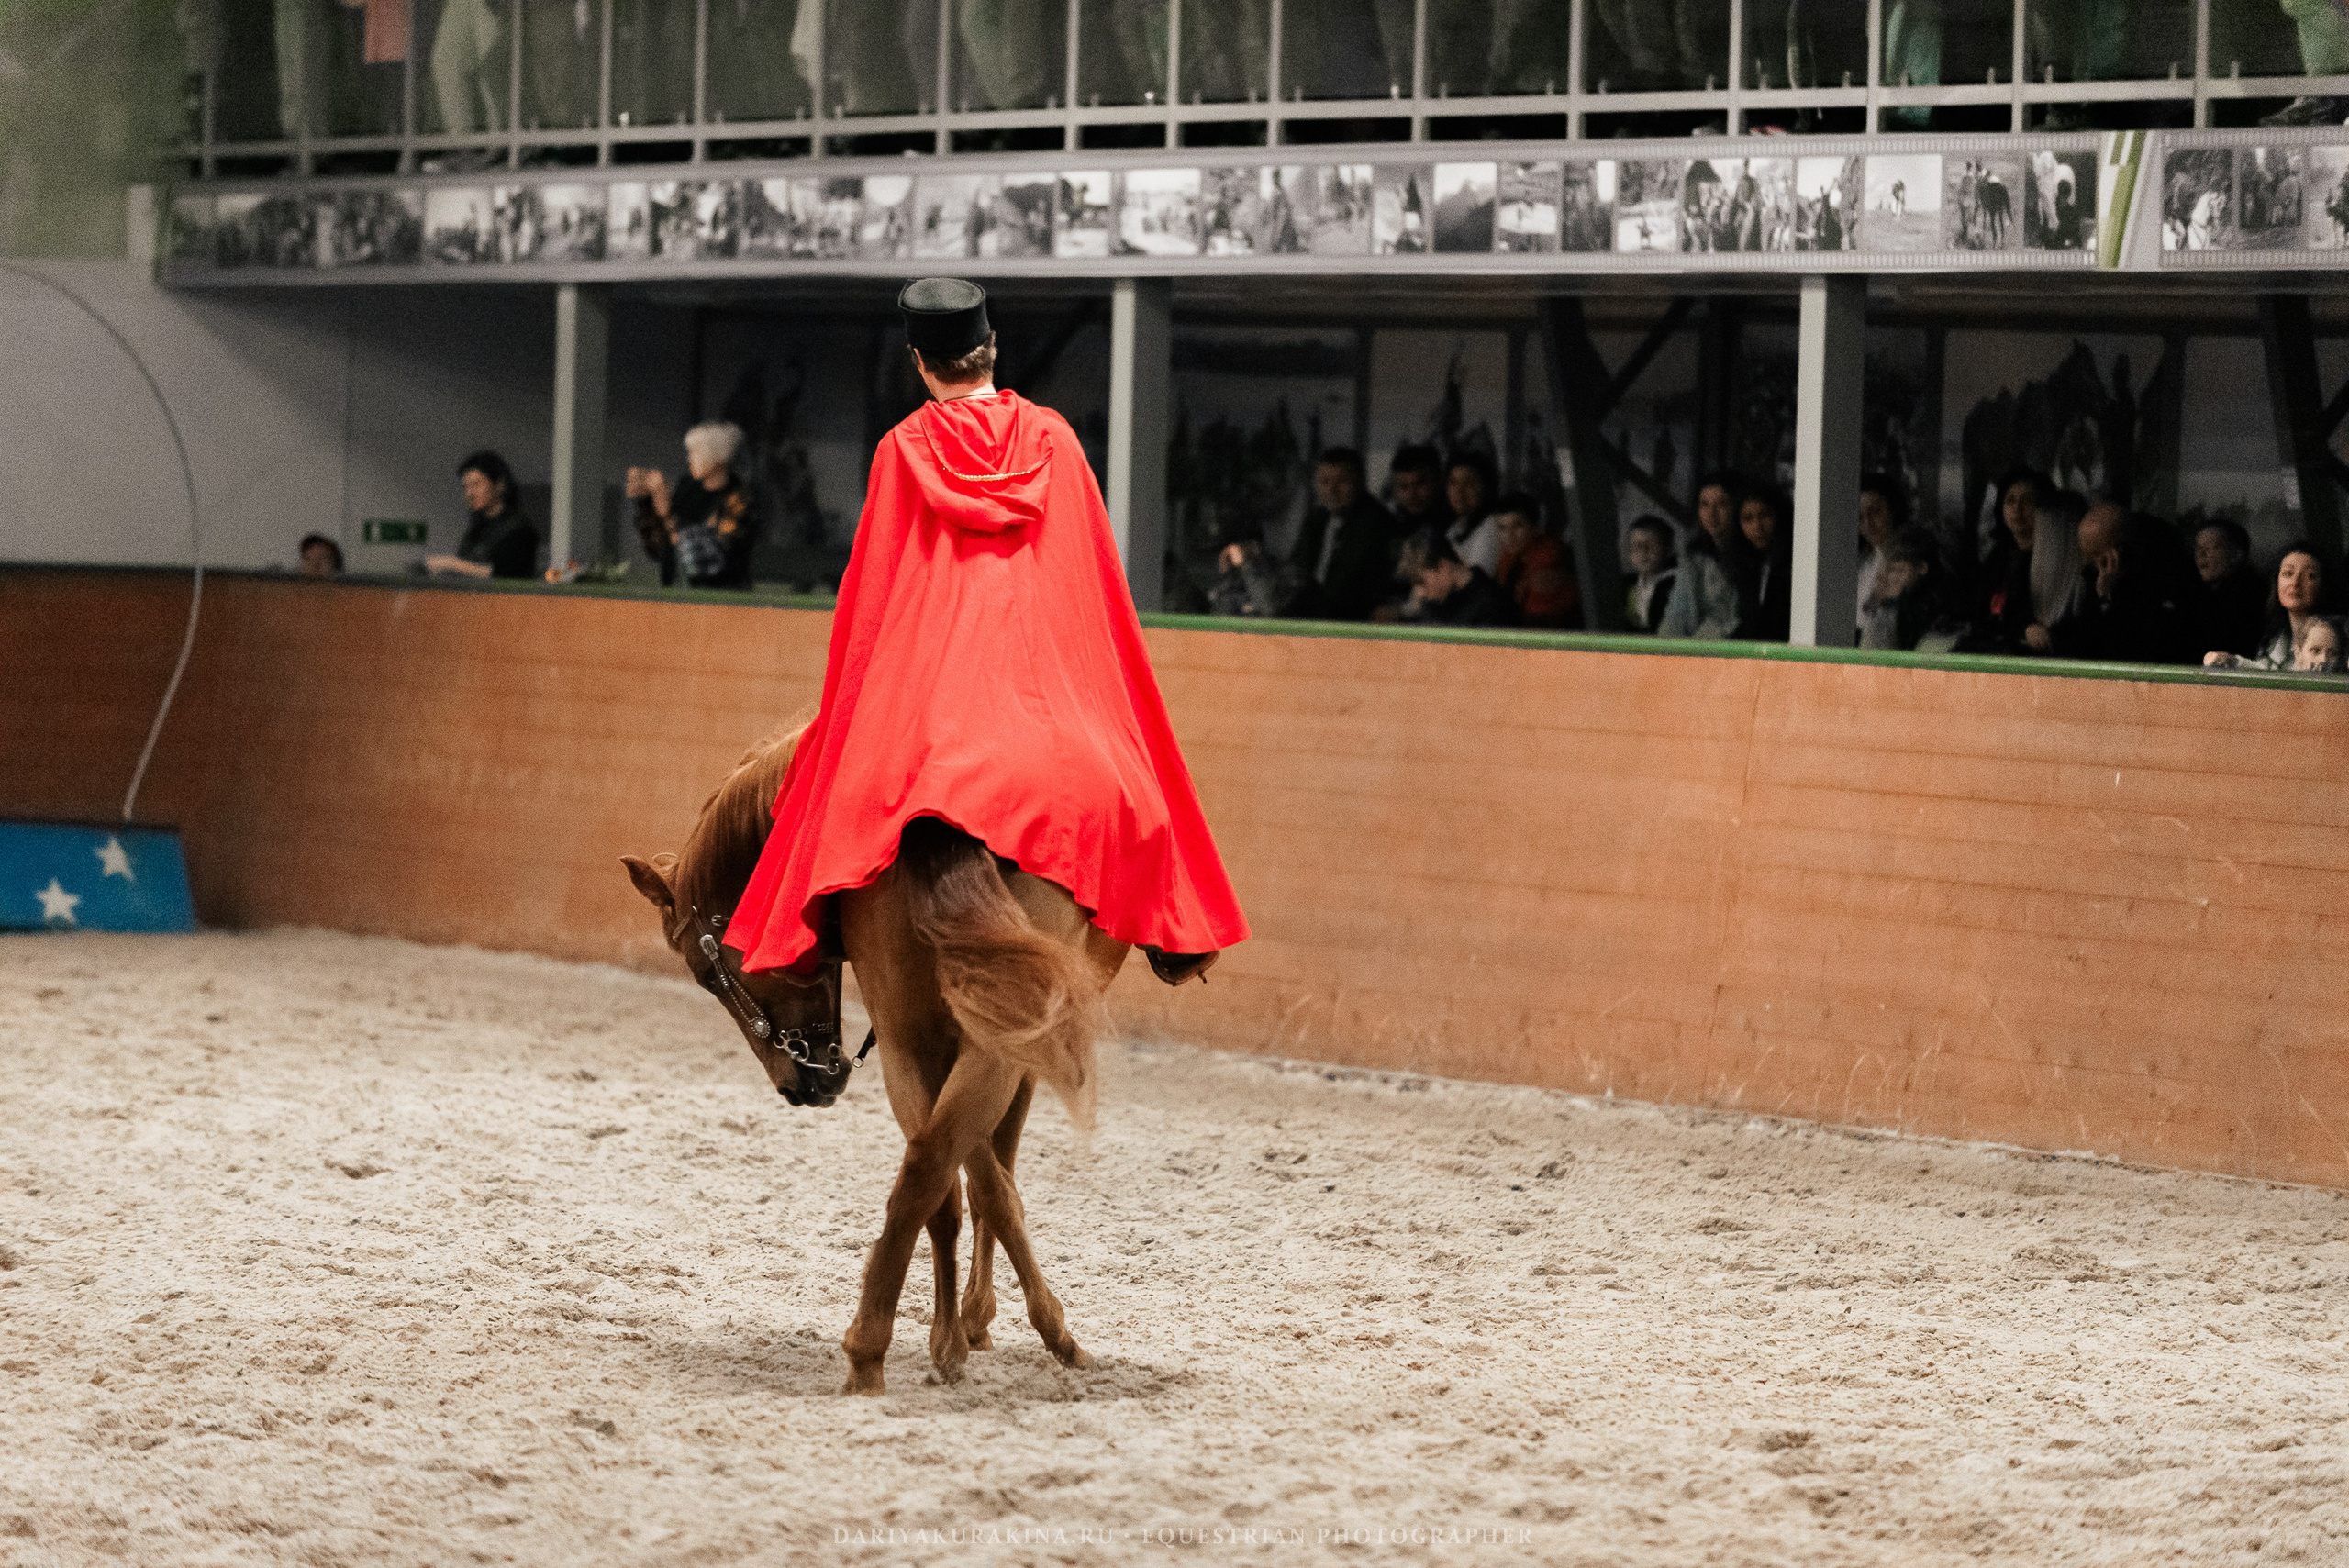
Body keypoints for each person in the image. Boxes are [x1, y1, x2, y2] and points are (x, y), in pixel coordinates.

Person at [721, 277, 1247, 990]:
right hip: (1039, 696)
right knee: (1135, 781)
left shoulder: (901, 449)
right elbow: (1096, 590)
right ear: (991, 348)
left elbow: (869, 604)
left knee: (835, 804)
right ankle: (1174, 935)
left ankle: (822, 940)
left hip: (940, 709)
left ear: (919, 362)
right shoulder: (1055, 439)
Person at [2053, 504, 2194, 665]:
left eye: (2095, 556)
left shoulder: (2169, 578)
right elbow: (2082, 639)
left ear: (2118, 552)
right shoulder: (2095, 575)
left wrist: (2108, 601)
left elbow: (2138, 647)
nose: (2089, 563)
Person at [629, 422, 761, 591]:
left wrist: (666, 512)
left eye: (696, 452)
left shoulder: (739, 497)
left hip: (724, 598)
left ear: (718, 459)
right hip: (677, 596)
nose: (689, 458)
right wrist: (646, 504)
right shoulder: (688, 488)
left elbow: (711, 562)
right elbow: (659, 549)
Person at [1969, 468, 2080, 654]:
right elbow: (1983, 612)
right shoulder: (1998, 556)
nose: (2017, 509)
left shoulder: (2057, 559)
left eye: (2027, 500)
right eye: (2010, 500)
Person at [1281, 446, 1397, 621]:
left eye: (1342, 482)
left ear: (1359, 482)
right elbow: (1297, 566)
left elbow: (1354, 587)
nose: (1332, 491)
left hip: (1349, 620)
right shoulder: (1316, 520)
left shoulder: (1375, 523)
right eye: (1325, 482)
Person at [2206, 542, 2331, 669]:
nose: (2295, 583)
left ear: (2324, 585)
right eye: (2288, 573)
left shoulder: (2337, 640)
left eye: (2310, 576)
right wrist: (2232, 661)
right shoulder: (2272, 638)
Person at [425, 450, 539, 579]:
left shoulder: (518, 529)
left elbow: (508, 574)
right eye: (465, 487)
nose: (470, 493)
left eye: (476, 484)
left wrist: (453, 564)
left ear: (499, 485)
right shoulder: (477, 530)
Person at [1658, 470, 1744, 639]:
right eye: (1704, 504)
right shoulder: (1693, 557)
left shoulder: (1748, 560)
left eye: (1721, 504)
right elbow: (1677, 614)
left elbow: (1735, 620)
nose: (1711, 514)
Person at [1399, 525, 1518, 628]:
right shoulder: (1431, 605)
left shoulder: (1494, 606)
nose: (1419, 593)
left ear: (1443, 567)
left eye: (1421, 582)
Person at [1492, 492, 1578, 628]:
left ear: (1535, 528)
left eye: (1518, 526)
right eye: (1502, 528)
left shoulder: (1550, 560)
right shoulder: (1510, 558)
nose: (1509, 536)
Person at [2188, 517, 2270, 661]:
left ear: (2235, 555)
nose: (2201, 554)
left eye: (2212, 547)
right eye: (2198, 548)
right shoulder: (2194, 593)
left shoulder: (2250, 597)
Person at [1731, 487, 1793, 642]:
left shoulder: (1794, 564)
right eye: (1748, 518)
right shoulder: (1745, 567)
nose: (1757, 527)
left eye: (1764, 515)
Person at [1855, 473, 1907, 642]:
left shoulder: (1907, 561)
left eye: (1875, 512)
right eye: (1860, 517)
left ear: (1893, 508)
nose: (1868, 525)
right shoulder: (1862, 562)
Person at [1442, 451, 1501, 575]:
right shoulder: (1455, 527)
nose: (1459, 491)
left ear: (1485, 486)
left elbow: (1475, 584)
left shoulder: (1492, 527)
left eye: (1468, 483)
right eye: (1453, 482)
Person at [1620, 516, 1678, 633]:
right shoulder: (1626, 585)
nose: (1643, 552)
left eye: (1651, 545)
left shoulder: (1676, 584)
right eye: (1637, 546)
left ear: (1667, 548)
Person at [1386, 443, 1446, 537]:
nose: (1412, 494)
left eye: (1420, 484)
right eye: (1404, 486)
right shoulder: (1390, 531)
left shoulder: (1453, 531)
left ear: (1438, 482)